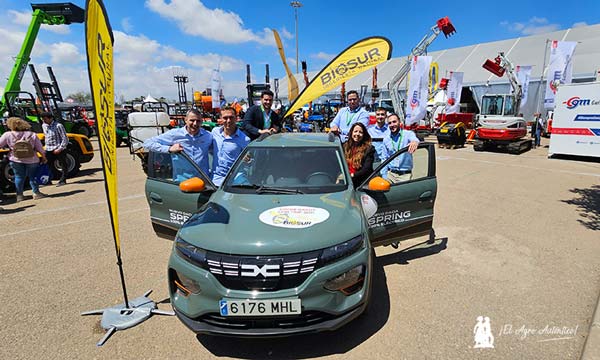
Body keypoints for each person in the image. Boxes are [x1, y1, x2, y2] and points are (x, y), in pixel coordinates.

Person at [143, 108, 213, 176]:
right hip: (182, 181)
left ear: (201, 121)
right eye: (192, 120)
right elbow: (147, 143)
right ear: (185, 120)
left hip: (203, 181)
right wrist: (169, 149)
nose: (195, 124)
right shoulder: (174, 134)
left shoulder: (208, 136)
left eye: (198, 121)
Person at [0, 117, 48, 202]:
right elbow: (40, 148)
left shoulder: (7, 135)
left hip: (15, 159)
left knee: (18, 177)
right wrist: (43, 157)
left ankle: (20, 195)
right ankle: (36, 193)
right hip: (32, 159)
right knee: (32, 176)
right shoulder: (32, 134)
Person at [211, 106, 250, 186]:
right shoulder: (215, 132)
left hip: (234, 179)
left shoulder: (244, 139)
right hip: (215, 179)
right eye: (225, 118)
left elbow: (248, 160)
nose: (228, 121)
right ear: (221, 119)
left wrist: (247, 159)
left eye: (231, 117)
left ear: (236, 118)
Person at [381, 113, 419, 183]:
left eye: (394, 122)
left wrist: (414, 142)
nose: (392, 125)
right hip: (390, 175)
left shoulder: (408, 134)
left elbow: (414, 139)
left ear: (399, 122)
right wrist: (384, 176)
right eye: (390, 123)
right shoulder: (386, 139)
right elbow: (384, 159)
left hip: (404, 176)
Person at [41, 112, 69, 186]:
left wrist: (60, 148)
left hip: (58, 148)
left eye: (45, 119)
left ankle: (63, 180)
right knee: (47, 164)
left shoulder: (58, 126)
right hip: (48, 148)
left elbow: (65, 138)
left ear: (51, 118)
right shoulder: (44, 125)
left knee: (63, 164)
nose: (44, 120)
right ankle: (49, 180)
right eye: (43, 119)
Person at [343, 122, 375, 187]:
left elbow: (366, 169)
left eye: (360, 132)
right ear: (351, 133)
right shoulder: (344, 146)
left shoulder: (369, 149)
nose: (357, 134)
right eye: (355, 131)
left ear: (364, 135)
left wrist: (352, 175)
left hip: (360, 183)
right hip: (344, 181)